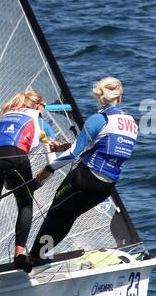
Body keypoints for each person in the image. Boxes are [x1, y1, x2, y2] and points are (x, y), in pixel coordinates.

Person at [28, 76, 137, 263]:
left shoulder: (99, 118)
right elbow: (102, 143)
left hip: (84, 179)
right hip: (106, 187)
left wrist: (47, 170)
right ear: (119, 98)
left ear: (100, 98)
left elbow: (74, 153)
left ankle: (33, 257)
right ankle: (39, 256)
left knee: (56, 213)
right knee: (69, 217)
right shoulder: (131, 124)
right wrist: (63, 146)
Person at [0, 90, 70, 272]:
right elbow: (52, 161)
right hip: (15, 157)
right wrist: (38, 182)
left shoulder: (6, 114)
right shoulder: (40, 121)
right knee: (25, 205)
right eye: (45, 106)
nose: (45, 110)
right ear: (38, 105)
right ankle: (20, 254)